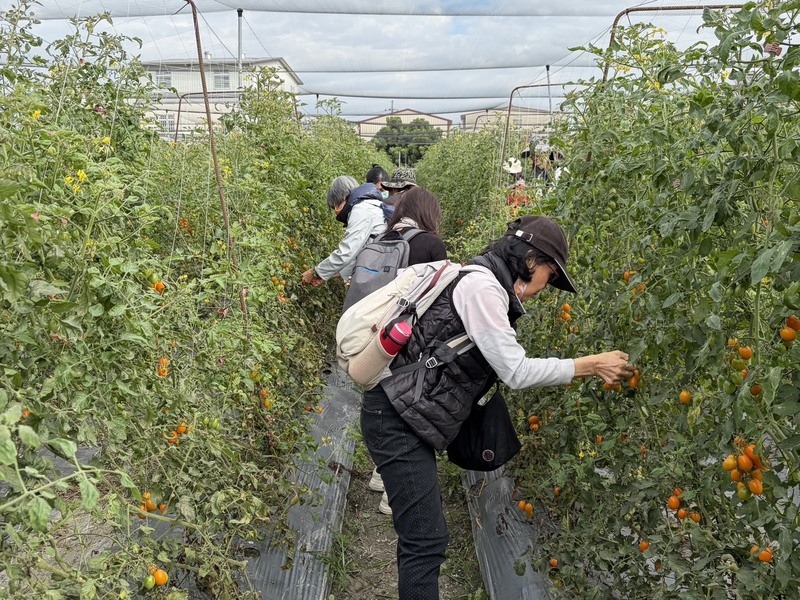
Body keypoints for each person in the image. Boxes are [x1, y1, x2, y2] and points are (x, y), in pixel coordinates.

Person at [360, 216, 635, 599]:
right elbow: (516, 371)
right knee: (425, 541)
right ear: (529, 261)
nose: (546, 287)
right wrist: (589, 365)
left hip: (406, 415)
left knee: (423, 538)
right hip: (395, 419)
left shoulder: (487, 284)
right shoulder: (482, 289)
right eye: (550, 275)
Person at [363, 186, 448, 515]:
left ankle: (379, 474)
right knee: (409, 406)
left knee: (384, 399)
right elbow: (439, 295)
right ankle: (392, 495)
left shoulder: (382, 240)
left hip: (379, 335)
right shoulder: (430, 243)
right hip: (411, 336)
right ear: (430, 214)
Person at [301, 175, 386, 288]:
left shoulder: (361, 210)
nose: (336, 211)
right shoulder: (370, 206)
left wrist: (315, 271)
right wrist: (325, 275)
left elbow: (346, 252)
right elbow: (358, 254)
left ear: (344, 197)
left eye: (336, 204)